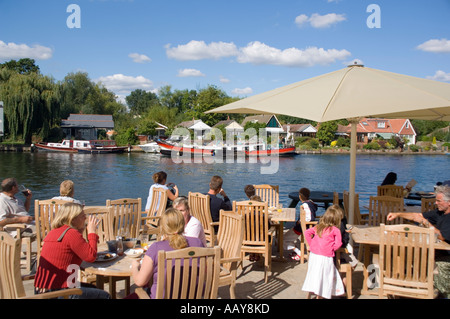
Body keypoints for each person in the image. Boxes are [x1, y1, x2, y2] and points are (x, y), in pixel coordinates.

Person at [34, 202, 111, 299]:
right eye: (82, 216)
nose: (85, 218)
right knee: (105, 296)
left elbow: (71, 251)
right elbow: (91, 256)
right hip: (59, 292)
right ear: (73, 219)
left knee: (93, 289)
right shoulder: (71, 233)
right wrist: (91, 232)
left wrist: (80, 231)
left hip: (43, 289)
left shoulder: (54, 232)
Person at [387, 185, 450, 298]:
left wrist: (425, 223)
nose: (436, 203)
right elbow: (418, 216)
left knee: (411, 256)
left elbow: (441, 236)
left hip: (445, 258)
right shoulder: (440, 213)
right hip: (435, 252)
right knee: (404, 254)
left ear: (448, 202)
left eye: (438, 201)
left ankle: (410, 287)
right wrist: (398, 214)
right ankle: (401, 285)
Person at [130, 208, 204, 298]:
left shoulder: (156, 247)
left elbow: (140, 281)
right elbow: (205, 270)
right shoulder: (197, 243)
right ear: (183, 224)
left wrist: (134, 266)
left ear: (163, 227)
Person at [302, 205, 346, 299]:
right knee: (325, 275)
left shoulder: (319, 227)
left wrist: (311, 245)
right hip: (326, 256)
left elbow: (307, 233)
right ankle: (322, 293)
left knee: (315, 273)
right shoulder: (336, 230)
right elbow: (339, 243)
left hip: (314, 255)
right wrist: (331, 248)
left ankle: (312, 291)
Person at [283, 188, 318, 261]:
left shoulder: (305, 205)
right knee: (287, 238)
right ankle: (296, 251)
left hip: (302, 228)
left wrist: (300, 222)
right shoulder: (311, 203)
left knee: (283, 240)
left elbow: (309, 218)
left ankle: (299, 253)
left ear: (300, 196)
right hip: (304, 227)